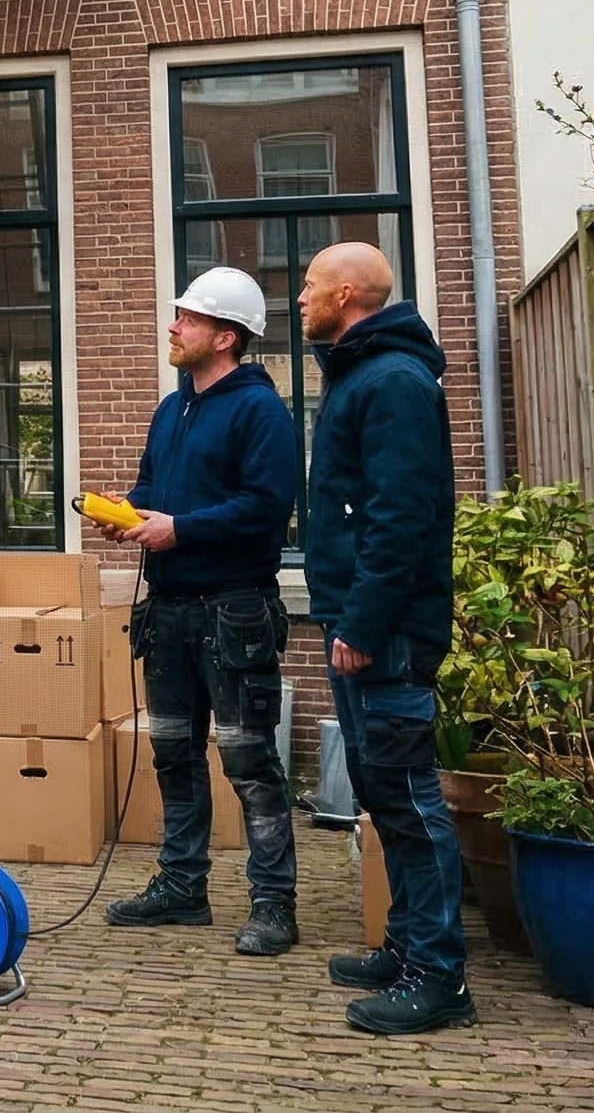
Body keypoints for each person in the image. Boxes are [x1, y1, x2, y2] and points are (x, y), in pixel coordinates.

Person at [90, 266, 302, 957]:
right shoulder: (172, 407)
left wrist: (179, 529)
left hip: (233, 612)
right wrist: (129, 513)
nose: (173, 326)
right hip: (172, 613)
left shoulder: (261, 412)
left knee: (249, 762)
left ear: (226, 335)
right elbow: (154, 484)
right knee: (173, 755)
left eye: (187, 317)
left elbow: (266, 509)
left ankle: (274, 906)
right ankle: (183, 888)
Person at [296, 241, 472, 1035]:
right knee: (383, 796)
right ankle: (405, 949)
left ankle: (440, 979)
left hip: (386, 633)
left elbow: (401, 518)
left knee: (408, 799)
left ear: (345, 294)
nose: (298, 299)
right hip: (358, 623)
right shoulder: (362, 373)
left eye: (308, 287)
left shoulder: (393, 381)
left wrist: (364, 624)